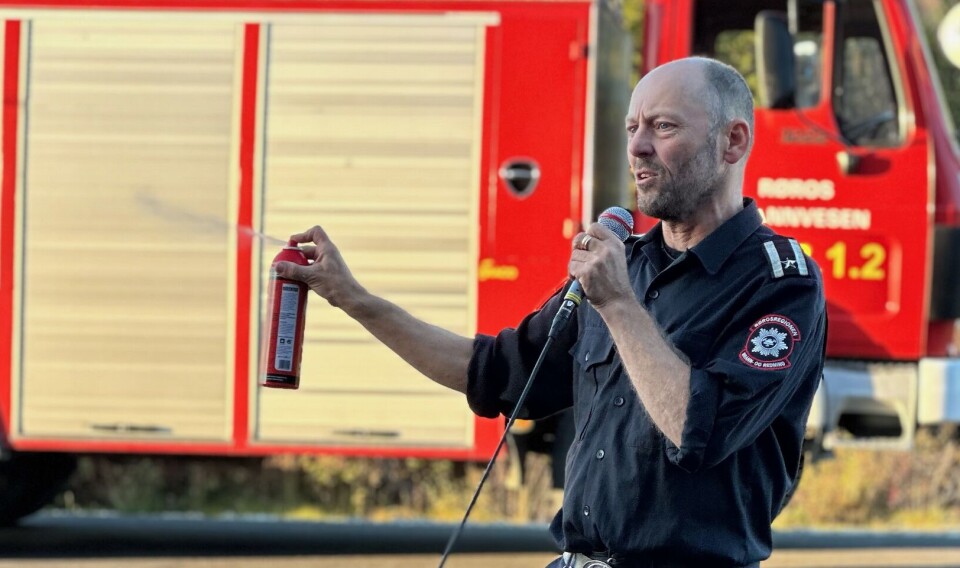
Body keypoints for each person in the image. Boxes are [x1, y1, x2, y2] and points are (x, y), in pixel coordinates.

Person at [275, 57, 827, 568]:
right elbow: (494, 372)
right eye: (632, 127)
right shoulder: (624, 265)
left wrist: (617, 304)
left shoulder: (779, 282)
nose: (637, 147)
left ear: (732, 142)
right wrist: (353, 298)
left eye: (663, 127)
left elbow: (698, 430)